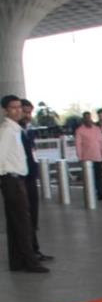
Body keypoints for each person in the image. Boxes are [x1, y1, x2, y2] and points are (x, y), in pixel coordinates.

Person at [0, 95, 49, 272]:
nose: (18, 110)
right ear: (6, 110)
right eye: (13, 108)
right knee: (22, 222)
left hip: (16, 179)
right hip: (12, 180)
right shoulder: (7, 130)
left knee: (15, 224)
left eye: (19, 107)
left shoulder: (15, 130)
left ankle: (17, 262)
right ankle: (30, 262)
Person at [20, 99, 53, 262]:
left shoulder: (29, 130)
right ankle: (28, 253)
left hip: (31, 177)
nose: (28, 115)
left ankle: (35, 249)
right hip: (20, 179)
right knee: (24, 217)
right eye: (25, 111)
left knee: (33, 216)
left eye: (30, 112)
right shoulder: (14, 131)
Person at [74, 111, 102, 199]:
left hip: (98, 157)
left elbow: (101, 142)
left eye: (89, 117)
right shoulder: (79, 130)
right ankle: (90, 194)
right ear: (83, 119)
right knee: (89, 178)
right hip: (87, 158)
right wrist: (80, 157)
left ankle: (100, 193)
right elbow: (78, 144)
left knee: (99, 176)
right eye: (86, 118)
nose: (88, 119)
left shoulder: (97, 129)